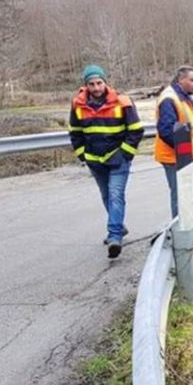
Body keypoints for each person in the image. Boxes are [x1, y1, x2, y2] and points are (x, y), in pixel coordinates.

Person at [68, 65, 144, 259]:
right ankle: (118, 225)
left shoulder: (122, 101)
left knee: (115, 194)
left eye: (99, 83)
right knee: (106, 196)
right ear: (85, 85)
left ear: (105, 82)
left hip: (118, 160)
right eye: (92, 84)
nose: (96, 88)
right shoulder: (77, 105)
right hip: (95, 161)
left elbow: (135, 130)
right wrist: (82, 155)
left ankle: (114, 236)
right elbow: (75, 133)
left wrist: (124, 154)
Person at [155, 65, 193, 218]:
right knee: (181, 195)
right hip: (175, 156)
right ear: (181, 79)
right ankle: (181, 232)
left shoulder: (182, 97)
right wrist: (183, 150)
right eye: (192, 80)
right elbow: (166, 130)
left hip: (183, 156)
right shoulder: (170, 98)